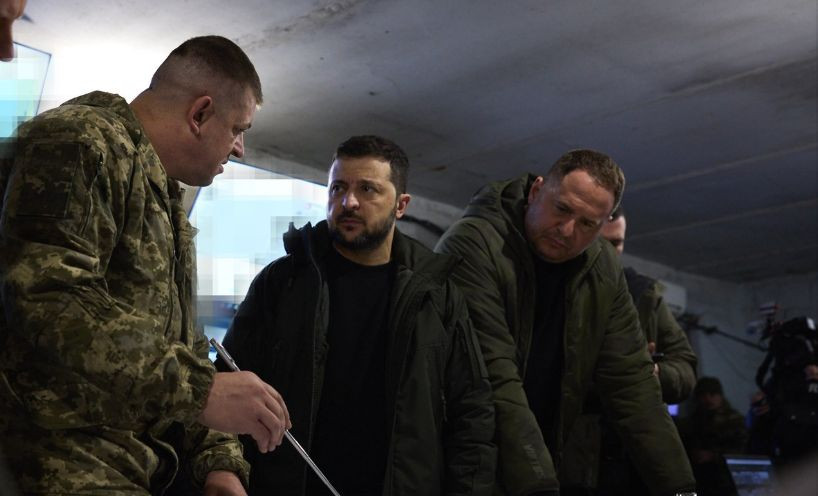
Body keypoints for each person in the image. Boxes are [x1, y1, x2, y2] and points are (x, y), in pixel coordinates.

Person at [0, 36, 291, 495]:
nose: (239, 148)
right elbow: (48, 299)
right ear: (200, 114)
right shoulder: (80, 140)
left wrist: (219, 460)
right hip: (50, 459)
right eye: (238, 128)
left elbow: (179, 344)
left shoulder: (165, 201)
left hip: (124, 465)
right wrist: (200, 391)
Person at [218, 135, 496, 495]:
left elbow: (472, 412)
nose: (348, 202)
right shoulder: (284, 281)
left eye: (367, 189)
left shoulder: (437, 295)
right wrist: (223, 470)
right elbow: (227, 382)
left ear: (401, 205)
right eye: (338, 188)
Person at [435, 149, 696, 496]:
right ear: (536, 191)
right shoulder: (474, 244)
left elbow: (632, 382)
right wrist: (540, 485)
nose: (568, 230)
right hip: (463, 460)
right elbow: (492, 376)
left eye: (588, 224)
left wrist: (681, 489)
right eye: (562, 208)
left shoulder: (602, 266)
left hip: (539, 459)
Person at [566, 205, 697, 495]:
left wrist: (652, 371)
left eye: (616, 243)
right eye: (599, 241)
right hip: (568, 458)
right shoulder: (554, 289)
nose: (608, 252)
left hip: (631, 458)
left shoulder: (644, 296)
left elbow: (685, 367)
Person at [677, 377, 748, 496]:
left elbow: (743, 451)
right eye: (703, 395)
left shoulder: (734, 420)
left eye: (712, 394)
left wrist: (714, 456)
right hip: (699, 481)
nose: (708, 399)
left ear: (720, 395)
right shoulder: (693, 421)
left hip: (725, 481)